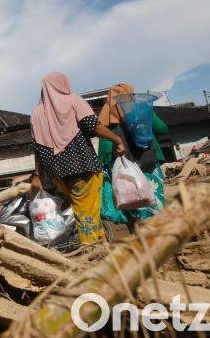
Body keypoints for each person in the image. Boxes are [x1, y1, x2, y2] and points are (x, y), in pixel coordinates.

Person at [29, 72, 126, 246]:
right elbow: (93, 126)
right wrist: (117, 140)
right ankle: (88, 248)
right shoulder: (74, 101)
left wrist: (38, 174)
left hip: (57, 173)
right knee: (85, 210)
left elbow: (36, 147)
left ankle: (102, 242)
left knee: (87, 207)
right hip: (82, 167)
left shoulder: (36, 113)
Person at [97, 83, 169, 225]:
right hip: (148, 164)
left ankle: (139, 235)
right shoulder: (141, 109)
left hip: (124, 172)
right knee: (153, 203)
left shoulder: (104, 118)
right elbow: (162, 129)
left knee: (132, 204)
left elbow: (104, 155)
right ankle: (159, 234)